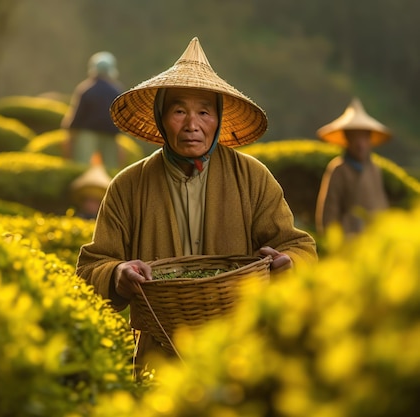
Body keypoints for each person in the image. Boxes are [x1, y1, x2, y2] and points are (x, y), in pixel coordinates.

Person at [75, 37, 318, 376]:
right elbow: (92, 265)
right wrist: (117, 274)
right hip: (160, 356)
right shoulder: (129, 186)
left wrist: (289, 263)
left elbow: (298, 245)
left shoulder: (251, 177)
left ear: (218, 119)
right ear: (161, 118)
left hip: (240, 351)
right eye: (178, 111)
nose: (192, 125)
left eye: (204, 112)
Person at [315, 97, 392, 238]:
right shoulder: (338, 169)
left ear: (369, 140)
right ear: (347, 140)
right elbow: (329, 213)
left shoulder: (375, 169)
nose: (360, 144)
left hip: (374, 240)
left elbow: (381, 206)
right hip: (348, 240)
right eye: (355, 138)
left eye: (363, 138)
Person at [61, 51, 124, 171]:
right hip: (110, 134)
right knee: (110, 169)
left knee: (82, 166)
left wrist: (69, 131)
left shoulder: (86, 89)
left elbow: (77, 115)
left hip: (87, 134)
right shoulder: (116, 91)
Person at [69, 153, 112, 219]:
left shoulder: (104, 220)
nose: (91, 205)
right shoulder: (80, 216)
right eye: (90, 201)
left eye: (95, 201)